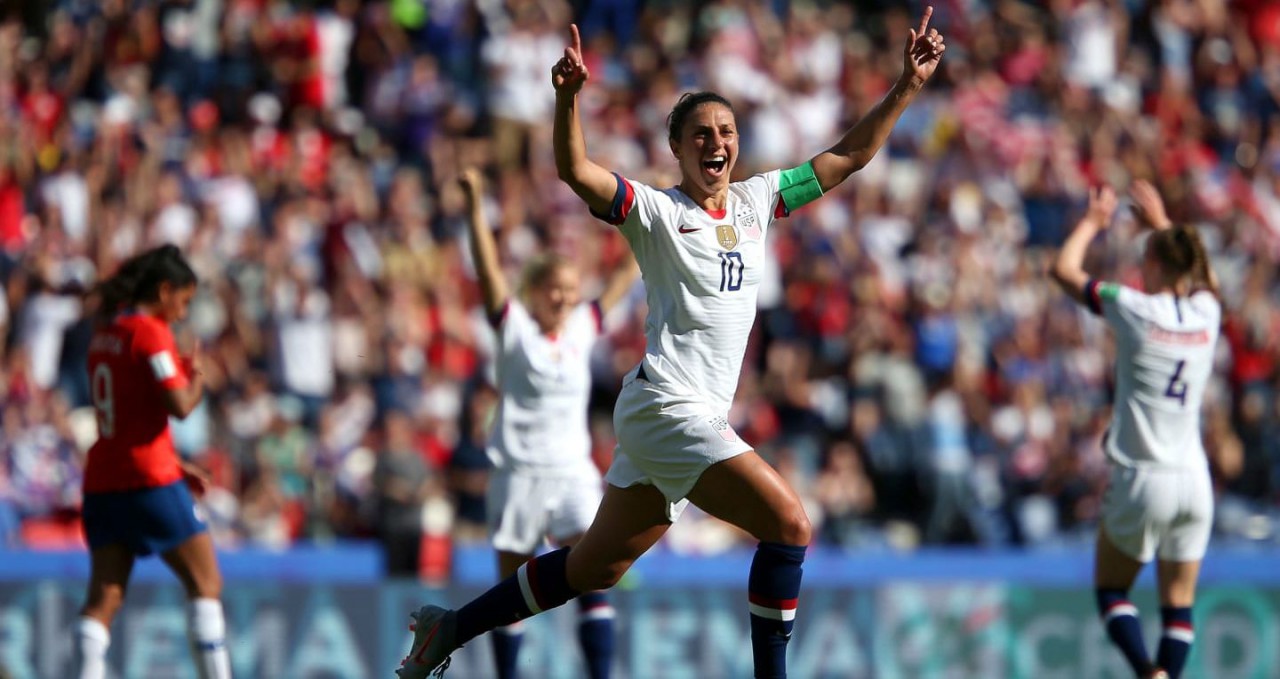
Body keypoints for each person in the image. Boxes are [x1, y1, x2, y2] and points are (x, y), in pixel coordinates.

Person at [398, 9, 945, 679]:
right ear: (678, 149)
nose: (716, 143)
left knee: (593, 566)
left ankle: (448, 626)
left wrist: (907, 87)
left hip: (684, 418)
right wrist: (568, 99)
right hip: (668, 408)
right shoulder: (659, 213)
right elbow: (577, 172)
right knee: (790, 523)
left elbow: (850, 157)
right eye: (701, 135)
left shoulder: (756, 201)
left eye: (726, 132)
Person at [459, 167, 637, 679]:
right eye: (553, 289)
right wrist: (475, 208)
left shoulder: (582, 327)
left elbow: (625, 276)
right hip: (517, 472)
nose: (562, 298)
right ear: (534, 291)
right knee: (508, 592)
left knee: (593, 574)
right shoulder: (514, 329)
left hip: (572, 471)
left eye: (570, 289)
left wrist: (648, 219)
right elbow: (488, 272)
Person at [1049, 182, 1221, 679]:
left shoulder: (1135, 308)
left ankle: (1148, 671)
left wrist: (1092, 222)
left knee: (1112, 589)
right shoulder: (1208, 313)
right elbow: (1203, 276)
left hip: (1142, 475)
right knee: (1178, 603)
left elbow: (1062, 272)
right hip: (1194, 479)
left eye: (1149, 258)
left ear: (1158, 266)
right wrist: (1165, 222)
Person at [74, 245, 231, 679]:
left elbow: (125, 418)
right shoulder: (150, 332)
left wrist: (175, 462)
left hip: (103, 482)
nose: (181, 315)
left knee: (103, 600)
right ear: (164, 291)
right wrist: (197, 376)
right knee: (206, 584)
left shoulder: (105, 334)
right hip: (148, 480)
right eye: (182, 302)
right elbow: (179, 404)